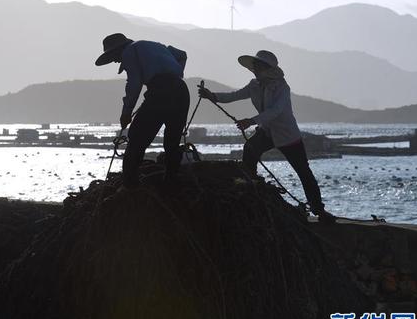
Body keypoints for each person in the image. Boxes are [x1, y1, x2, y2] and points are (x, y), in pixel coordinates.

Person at [198, 50, 336, 224]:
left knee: (303, 172)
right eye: (255, 66)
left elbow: (276, 111)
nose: (255, 69)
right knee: (250, 150)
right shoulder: (254, 85)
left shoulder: (282, 88)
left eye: (258, 66)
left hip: (287, 135)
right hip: (267, 131)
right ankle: (251, 187)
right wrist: (213, 96)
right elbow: (235, 95)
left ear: (267, 68)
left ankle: (319, 210)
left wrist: (251, 121)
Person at [95, 33, 190, 188]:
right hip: (181, 91)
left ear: (117, 50)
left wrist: (126, 112)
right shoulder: (155, 46)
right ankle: (171, 182)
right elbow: (182, 55)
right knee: (172, 142)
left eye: (113, 57)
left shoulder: (129, 52)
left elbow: (134, 83)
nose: (115, 60)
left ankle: (130, 185)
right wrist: (175, 74)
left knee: (136, 139)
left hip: (160, 92)